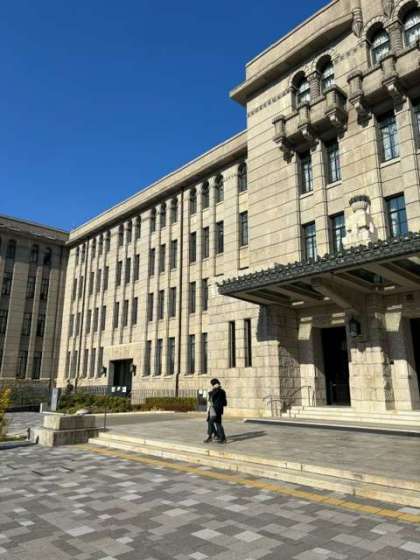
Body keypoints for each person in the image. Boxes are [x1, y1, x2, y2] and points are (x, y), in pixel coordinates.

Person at [204, 378, 227, 444]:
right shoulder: (213, 391)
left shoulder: (221, 391)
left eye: (213, 384)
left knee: (211, 422)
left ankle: (212, 436)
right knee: (216, 423)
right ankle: (220, 437)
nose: (213, 385)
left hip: (217, 409)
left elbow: (224, 403)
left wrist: (217, 388)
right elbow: (210, 398)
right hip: (212, 409)